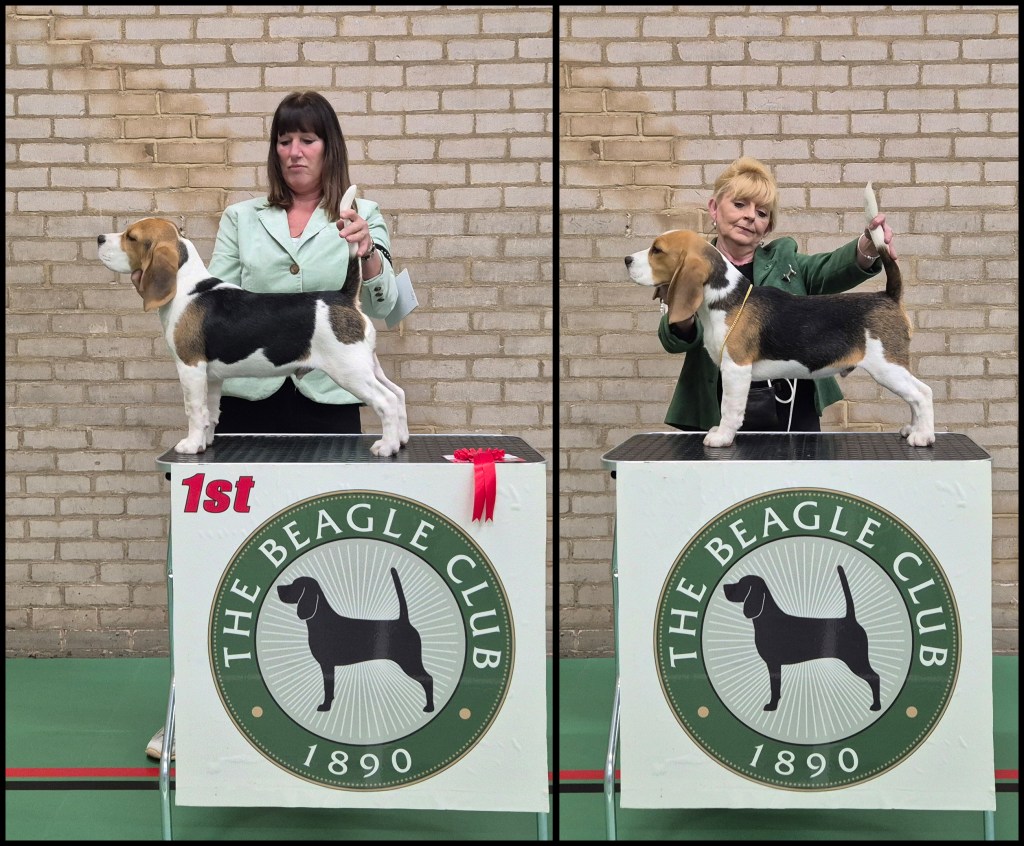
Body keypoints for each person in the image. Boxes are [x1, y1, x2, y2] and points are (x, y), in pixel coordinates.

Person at [146, 90, 399, 760]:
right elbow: (217, 303)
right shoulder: (241, 217)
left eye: (308, 139)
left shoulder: (363, 213)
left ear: (328, 147)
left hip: (327, 407)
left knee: (329, 558)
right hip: (252, 406)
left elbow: (391, 306)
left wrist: (369, 254)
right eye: (285, 140)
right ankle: (197, 712)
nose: (295, 151)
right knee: (224, 559)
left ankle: (333, 710)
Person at [656, 156, 896, 433]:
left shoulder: (786, 261)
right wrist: (684, 312)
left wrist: (867, 247)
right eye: (739, 204)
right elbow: (674, 342)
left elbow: (830, 268)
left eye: (762, 213)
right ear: (714, 208)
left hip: (793, 408)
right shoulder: (691, 267)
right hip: (717, 408)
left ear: (768, 227)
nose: (750, 216)